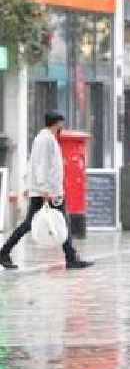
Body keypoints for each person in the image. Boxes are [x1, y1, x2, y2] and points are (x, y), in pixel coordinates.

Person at [0, 111, 93, 270]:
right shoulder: (45, 139)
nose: (62, 126)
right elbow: (41, 165)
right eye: (61, 122)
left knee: (57, 222)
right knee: (38, 223)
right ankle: (4, 252)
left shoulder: (47, 138)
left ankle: (70, 257)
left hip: (49, 190)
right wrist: (45, 190)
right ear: (57, 123)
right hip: (46, 192)